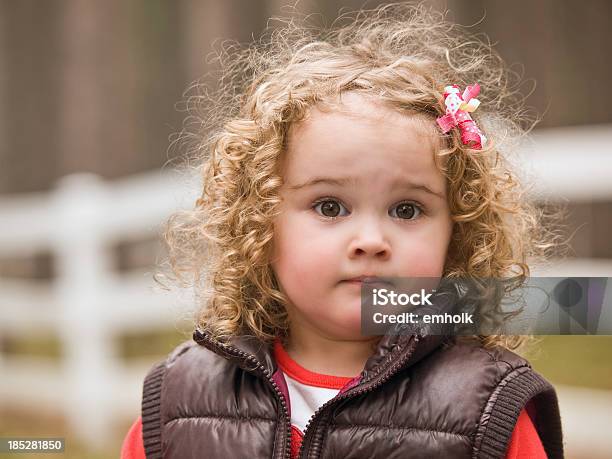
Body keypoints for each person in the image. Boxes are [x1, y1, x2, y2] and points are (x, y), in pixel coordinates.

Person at [121, 3, 564, 458]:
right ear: (260, 222)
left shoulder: (487, 413)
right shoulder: (178, 403)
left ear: (459, 233)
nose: (371, 241)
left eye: (408, 210)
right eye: (329, 206)